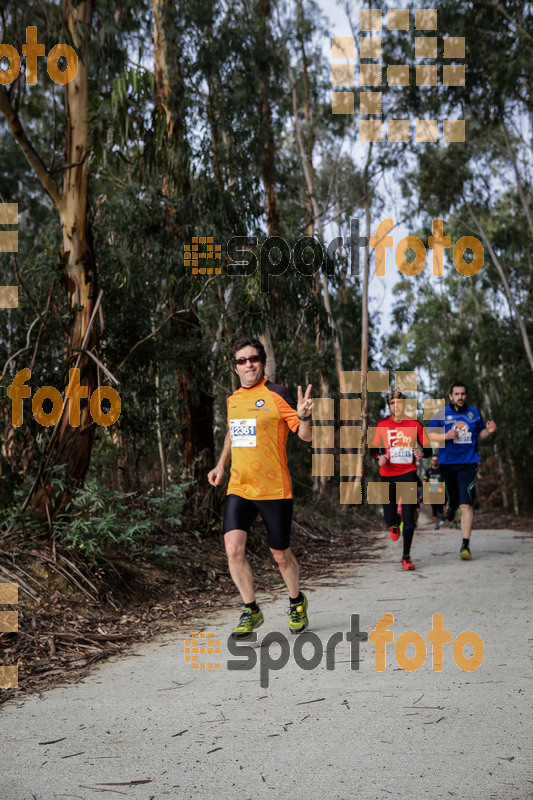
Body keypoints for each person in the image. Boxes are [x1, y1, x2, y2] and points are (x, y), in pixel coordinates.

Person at [207, 336, 313, 639]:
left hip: (274, 488)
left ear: (262, 362)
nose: (248, 364)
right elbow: (232, 433)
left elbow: (304, 436)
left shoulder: (278, 394)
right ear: (235, 367)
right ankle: (251, 610)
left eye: (253, 358)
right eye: (242, 360)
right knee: (233, 548)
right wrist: (221, 464)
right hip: (239, 485)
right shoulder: (232, 399)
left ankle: (296, 602)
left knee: (280, 554)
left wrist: (304, 415)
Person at [428, 382, 497, 560]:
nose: (460, 397)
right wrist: (445, 436)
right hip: (448, 464)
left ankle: (465, 545)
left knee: (466, 503)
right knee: (454, 498)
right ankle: (450, 507)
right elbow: (431, 435)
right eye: (457, 394)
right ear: (451, 396)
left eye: (463, 394)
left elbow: (479, 433)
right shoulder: (441, 414)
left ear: (466, 396)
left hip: (469, 463)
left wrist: (487, 432)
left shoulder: (474, 412)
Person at [372, 391, 431, 570]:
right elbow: (373, 450)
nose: (396, 406)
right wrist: (378, 457)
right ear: (389, 406)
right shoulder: (381, 425)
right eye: (392, 403)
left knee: (409, 517)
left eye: (400, 403)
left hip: (408, 473)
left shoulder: (415, 425)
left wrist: (422, 453)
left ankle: (406, 556)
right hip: (388, 474)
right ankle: (394, 524)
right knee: (389, 518)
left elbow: (429, 449)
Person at [424, 454, 445, 529]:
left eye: (436, 460)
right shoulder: (428, 471)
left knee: (441, 508)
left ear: (438, 461)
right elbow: (425, 480)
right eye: (433, 460)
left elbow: (445, 480)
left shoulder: (441, 470)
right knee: (434, 510)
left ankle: (442, 516)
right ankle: (436, 524)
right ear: (431, 461)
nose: (434, 461)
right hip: (432, 492)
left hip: (440, 492)